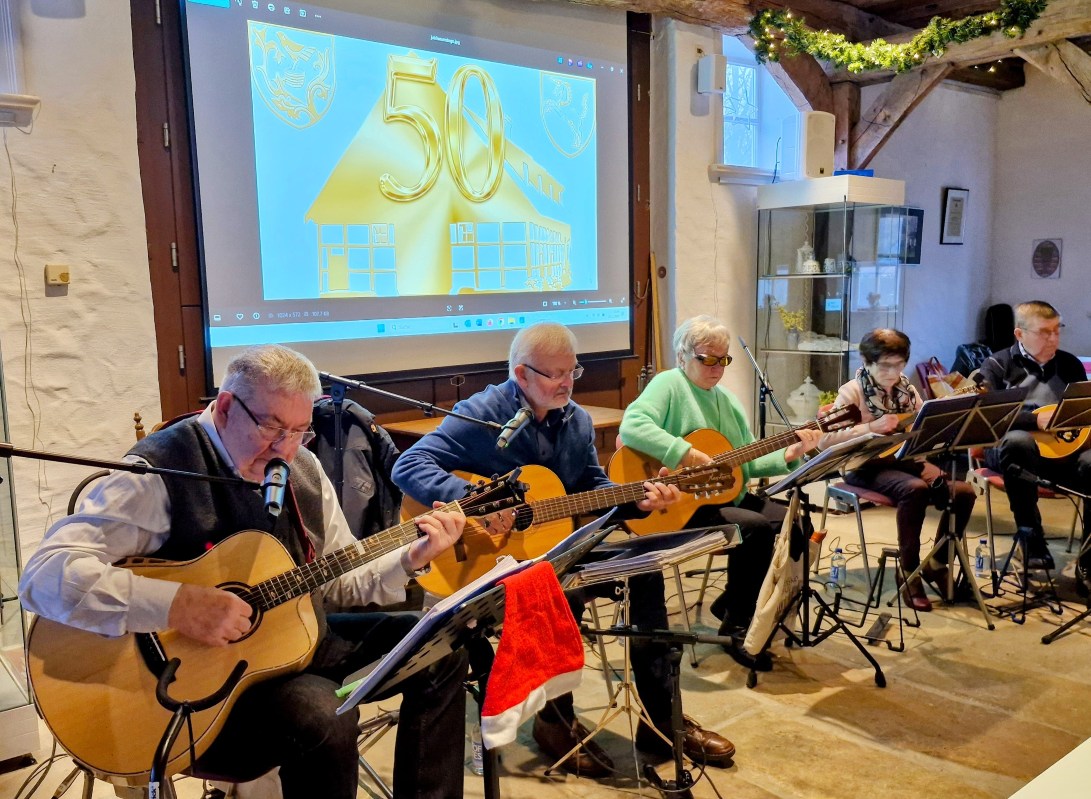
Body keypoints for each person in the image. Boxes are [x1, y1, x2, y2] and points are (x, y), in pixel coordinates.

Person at [19, 345, 469, 799]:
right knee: (323, 713)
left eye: (299, 432)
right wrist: (177, 606)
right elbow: (43, 576)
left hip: (296, 643)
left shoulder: (303, 468)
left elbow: (337, 577)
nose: (285, 449)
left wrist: (412, 556)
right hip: (190, 696)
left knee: (440, 648)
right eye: (272, 428)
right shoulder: (159, 472)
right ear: (228, 406)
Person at [391, 322, 735, 776]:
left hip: (558, 548)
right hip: (492, 562)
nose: (567, 383)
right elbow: (408, 463)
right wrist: (476, 504)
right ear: (522, 374)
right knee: (557, 589)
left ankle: (660, 720)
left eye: (572, 371)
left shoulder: (575, 419)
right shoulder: (485, 412)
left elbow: (591, 488)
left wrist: (638, 499)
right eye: (555, 375)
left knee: (646, 569)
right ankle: (556, 724)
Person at [618, 315, 822, 663]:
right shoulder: (669, 385)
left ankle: (732, 600)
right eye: (707, 359)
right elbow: (633, 425)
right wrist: (685, 453)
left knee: (798, 525)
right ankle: (737, 628)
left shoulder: (725, 400)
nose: (717, 368)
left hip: (721, 497)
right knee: (754, 529)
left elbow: (747, 463)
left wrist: (789, 454)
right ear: (683, 356)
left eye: (723, 359)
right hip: (678, 505)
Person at [817, 328, 977, 611]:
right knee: (914, 489)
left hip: (905, 461)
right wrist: (869, 427)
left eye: (899, 364)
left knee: (963, 491)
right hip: (865, 466)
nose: (893, 372)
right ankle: (908, 570)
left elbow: (920, 427)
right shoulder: (851, 391)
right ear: (866, 361)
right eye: (884, 365)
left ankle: (938, 564)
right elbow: (825, 440)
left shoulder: (907, 388)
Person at [978, 301, 1091, 583]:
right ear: (1020, 334)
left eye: (1057, 331)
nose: (1053, 338)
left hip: (1061, 450)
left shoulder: (1069, 364)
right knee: (1019, 442)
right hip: (1008, 450)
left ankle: (1089, 557)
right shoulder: (997, 364)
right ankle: (1032, 540)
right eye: (1044, 332)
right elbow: (986, 418)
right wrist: (1032, 421)